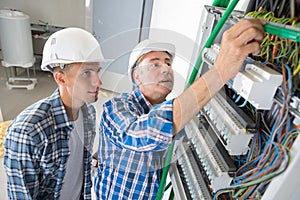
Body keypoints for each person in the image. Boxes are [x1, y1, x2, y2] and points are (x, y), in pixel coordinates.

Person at [94, 18, 265, 199]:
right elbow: (140, 134)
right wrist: (220, 72)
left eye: (168, 63)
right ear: (137, 76)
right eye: (155, 63)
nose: (166, 69)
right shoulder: (115, 107)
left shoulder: (176, 112)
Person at [4, 27, 109, 199]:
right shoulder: (27, 132)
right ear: (61, 78)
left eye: (97, 71)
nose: (98, 82)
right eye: (86, 73)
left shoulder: (88, 111)